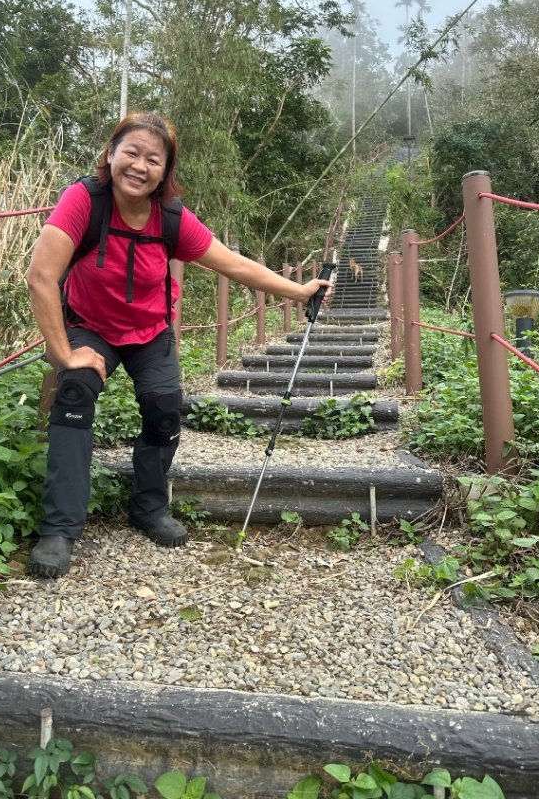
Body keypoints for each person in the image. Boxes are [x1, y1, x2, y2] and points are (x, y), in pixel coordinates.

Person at [25, 110, 332, 578]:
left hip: (150, 331)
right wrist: (65, 353)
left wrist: (301, 290)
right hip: (90, 327)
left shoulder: (170, 217)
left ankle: (148, 507)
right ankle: (59, 530)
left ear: (164, 172)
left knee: (166, 408)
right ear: (111, 155)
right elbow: (42, 276)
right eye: (131, 152)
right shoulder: (83, 200)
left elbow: (234, 265)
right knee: (74, 395)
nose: (139, 165)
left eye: (153, 159)